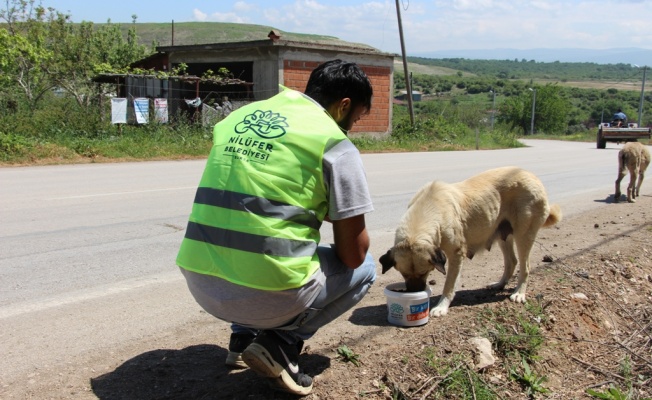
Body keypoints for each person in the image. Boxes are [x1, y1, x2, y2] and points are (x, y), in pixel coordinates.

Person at [176, 59, 376, 396]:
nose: (351, 129)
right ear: (343, 107)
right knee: (368, 266)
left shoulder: (239, 119)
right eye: (355, 120)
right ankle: (281, 342)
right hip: (267, 295)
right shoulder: (333, 143)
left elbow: (251, 200)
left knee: (252, 238)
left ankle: (241, 340)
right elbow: (353, 255)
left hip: (201, 282)